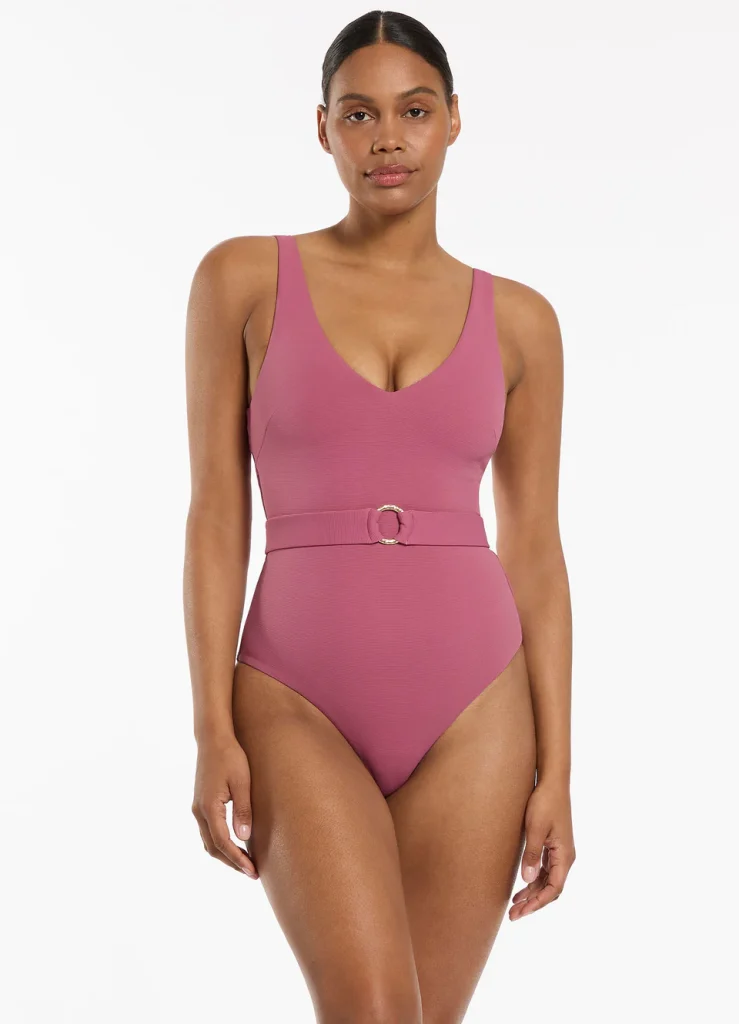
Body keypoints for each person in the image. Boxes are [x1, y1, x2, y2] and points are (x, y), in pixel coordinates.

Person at [184, 9, 575, 1022]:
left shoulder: (522, 320)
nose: (387, 139)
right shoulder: (242, 279)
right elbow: (216, 516)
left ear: (453, 121)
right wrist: (211, 726)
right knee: (368, 1007)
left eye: (414, 111)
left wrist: (559, 771)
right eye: (358, 115)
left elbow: (536, 552)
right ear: (322, 129)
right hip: (294, 695)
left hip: (478, 706)